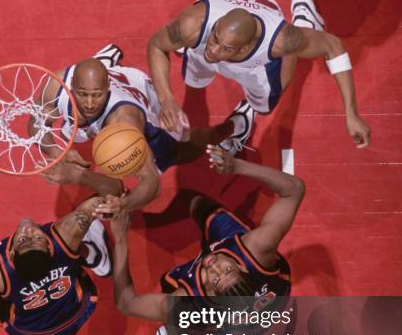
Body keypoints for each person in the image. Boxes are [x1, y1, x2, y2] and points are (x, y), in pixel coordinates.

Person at [107, 146, 305, 335]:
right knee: (198, 204)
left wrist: (120, 236)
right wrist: (237, 167)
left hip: (229, 318)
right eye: (227, 269)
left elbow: (126, 302)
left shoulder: (186, 299)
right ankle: (223, 333)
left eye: (214, 280)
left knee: (174, 320)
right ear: (243, 267)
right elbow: (294, 190)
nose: (215, 266)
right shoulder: (257, 249)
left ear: (210, 294)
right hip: (266, 307)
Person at [147, 0, 371, 148]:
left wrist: (351, 112)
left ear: (244, 48)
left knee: (264, 106)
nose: (213, 51)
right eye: (215, 39)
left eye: (226, 48)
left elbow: (333, 46)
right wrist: (166, 98)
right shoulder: (192, 24)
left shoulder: (280, 41)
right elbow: (156, 45)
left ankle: (304, 21)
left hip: (265, 27)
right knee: (194, 80)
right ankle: (208, 23)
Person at [39, 45, 253, 219]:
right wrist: (57, 153)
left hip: (139, 96)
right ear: (71, 87)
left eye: (96, 95)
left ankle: (235, 125)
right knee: (74, 129)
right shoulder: (55, 86)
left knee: (183, 148)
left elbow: (151, 182)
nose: (88, 103)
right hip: (108, 97)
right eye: (82, 94)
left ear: (107, 89)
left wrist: (124, 203)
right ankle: (105, 67)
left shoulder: (126, 124)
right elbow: (37, 125)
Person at [0, 183, 112, 335]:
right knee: (73, 248)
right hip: (77, 313)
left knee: (16, 315)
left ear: (12, 252)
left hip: (34, 332)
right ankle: (97, 260)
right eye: (34, 237)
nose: (28, 229)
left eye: (25, 239)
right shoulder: (65, 235)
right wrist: (80, 177)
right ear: (47, 245)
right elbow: (111, 190)